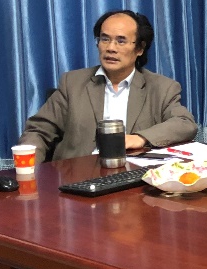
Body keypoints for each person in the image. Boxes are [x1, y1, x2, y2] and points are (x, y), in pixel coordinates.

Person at [18, 9, 197, 162]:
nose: (111, 48)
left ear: (140, 48)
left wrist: (140, 138)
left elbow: (185, 124)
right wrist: (28, 169)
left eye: (121, 41)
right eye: (105, 39)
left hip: (132, 179)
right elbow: (39, 131)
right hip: (76, 178)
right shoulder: (72, 83)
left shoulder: (162, 88)